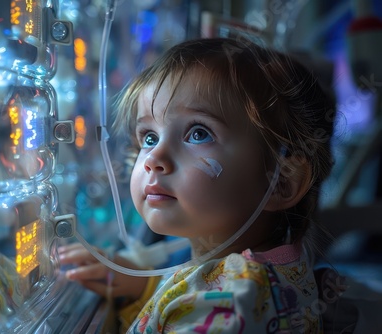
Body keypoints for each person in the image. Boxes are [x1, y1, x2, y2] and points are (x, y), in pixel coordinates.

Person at [58, 37, 337, 333]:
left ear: (280, 182)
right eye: (149, 137)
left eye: (199, 133)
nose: (154, 158)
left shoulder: (229, 303)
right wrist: (144, 286)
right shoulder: (263, 272)